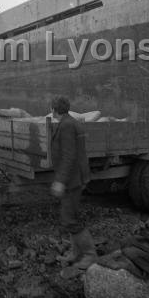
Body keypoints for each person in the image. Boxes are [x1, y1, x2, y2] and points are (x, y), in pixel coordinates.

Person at [50, 95, 97, 270]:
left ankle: (90, 255)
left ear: (54, 110)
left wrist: (60, 181)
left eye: (52, 109)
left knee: (69, 219)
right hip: (74, 177)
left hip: (72, 180)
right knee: (71, 215)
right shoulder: (69, 122)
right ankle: (76, 253)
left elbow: (69, 156)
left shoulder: (67, 125)